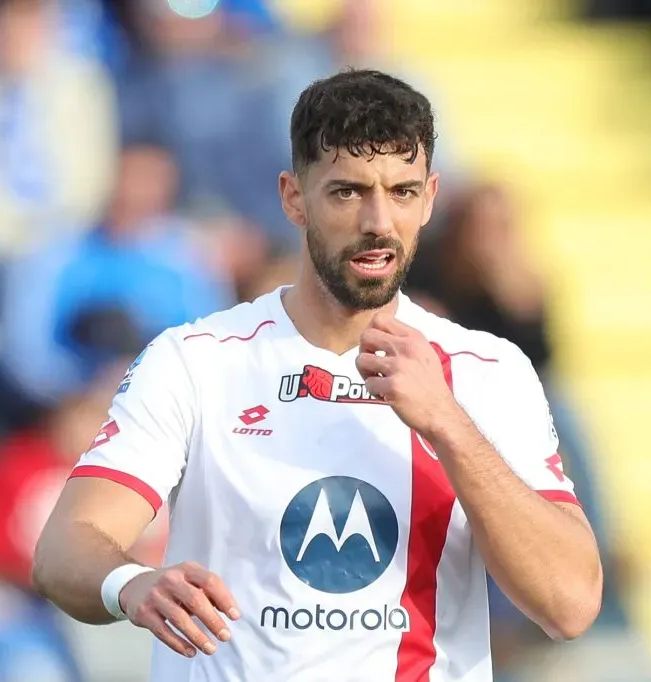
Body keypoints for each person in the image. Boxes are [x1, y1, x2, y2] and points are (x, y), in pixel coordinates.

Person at [32, 69, 603, 682]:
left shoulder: (488, 373)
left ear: (431, 198)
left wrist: (447, 424)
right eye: (347, 192)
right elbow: (66, 546)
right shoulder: (196, 360)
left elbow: (569, 603)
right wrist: (131, 584)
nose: (378, 221)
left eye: (403, 192)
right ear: (293, 197)